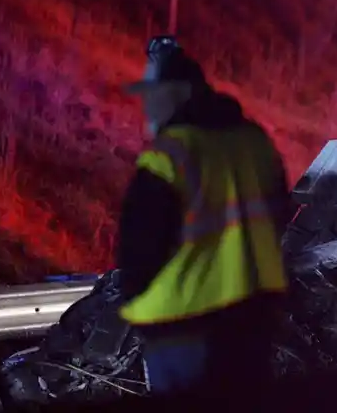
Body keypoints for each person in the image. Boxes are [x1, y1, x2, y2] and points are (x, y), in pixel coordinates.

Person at [115, 35, 297, 396]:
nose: (147, 105)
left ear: (179, 94)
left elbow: (140, 248)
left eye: (154, 94)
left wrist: (134, 298)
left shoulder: (169, 156)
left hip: (181, 326)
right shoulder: (254, 142)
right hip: (251, 319)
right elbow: (279, 215)